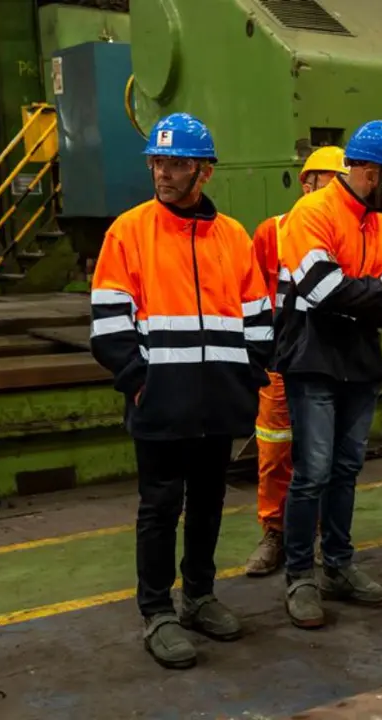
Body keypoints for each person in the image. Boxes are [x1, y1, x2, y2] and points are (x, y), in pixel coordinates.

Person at [90, 112, 273, 669]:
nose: (163, 174)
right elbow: (109, 322)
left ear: (204, 173)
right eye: (157, 163)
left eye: (175, 164)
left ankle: (199, 597)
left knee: (210, 505)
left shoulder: (234, 237)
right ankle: (157, 612)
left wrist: (247, 377)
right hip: (161, 402)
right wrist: (139, 382)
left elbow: (259, 317)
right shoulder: (128, 231)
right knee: (160, 507)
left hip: (218, 402)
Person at [274, 120, 382, 628]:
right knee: (311, 473)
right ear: (372, 172)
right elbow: (318, 288)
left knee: (346, 470)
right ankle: (299, 577)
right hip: (312, 361)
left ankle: (337, 565)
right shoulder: (311, 213)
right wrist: (365, 297)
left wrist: (356, 298)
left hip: (358, 364)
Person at [245, 145, 348, 577]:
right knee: (275, 448)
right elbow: (256, 292)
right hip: (282, 358)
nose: (336, 190)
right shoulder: (275, 231)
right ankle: (275, 532)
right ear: (307, 183)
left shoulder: (348, 231)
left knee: (324, 454)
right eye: (330, 180)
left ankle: (322, 533)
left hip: (325, 358)